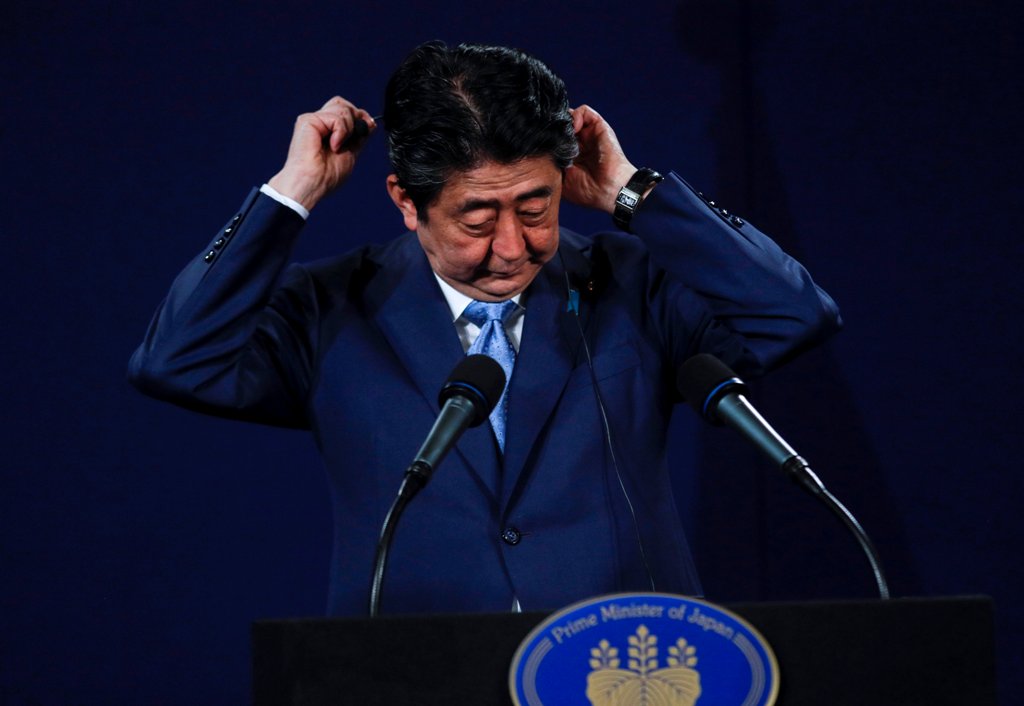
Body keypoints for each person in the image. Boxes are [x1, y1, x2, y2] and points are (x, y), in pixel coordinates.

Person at [128, 41, 841, 616]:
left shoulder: (630, 283)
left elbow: (793, 316)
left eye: (537, 207)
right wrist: (291, 194)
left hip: (623, 671)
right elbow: (178, 361)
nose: (513, 246)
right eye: (477, 219)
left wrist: (633, 192)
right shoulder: (329, 306)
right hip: (413, 680)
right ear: (407, 203)